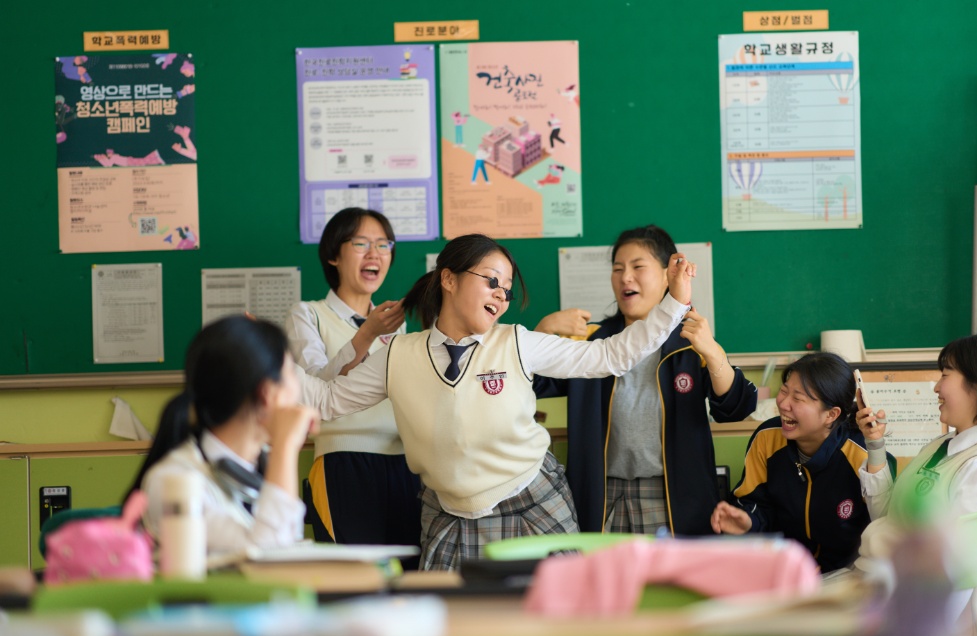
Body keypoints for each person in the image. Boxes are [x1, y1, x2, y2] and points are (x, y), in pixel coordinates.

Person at [298, 233, 695, 570]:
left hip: (532, 500)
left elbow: (611, 356)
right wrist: (262, 358)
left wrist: (673, 305)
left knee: (559, 622)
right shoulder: (395, 354)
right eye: (491, 281)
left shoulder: (517, 342)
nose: (500, 296)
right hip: (447, 511)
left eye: (506, 289)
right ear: (448, 279)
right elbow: (326, 399)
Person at [534, 225, 757, 536]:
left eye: (638, 267)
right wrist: (543, 333)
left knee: (670, 584)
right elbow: (532, 386)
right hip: (601, 497)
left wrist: (715, 354)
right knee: (606, 583)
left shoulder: (689, 341)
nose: (626, 277)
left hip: (672, 498)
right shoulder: (590, 342)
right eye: (617, 269)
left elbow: (735, 408)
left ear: (668, 276)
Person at [284, 207, 420, 548]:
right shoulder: (308, 314)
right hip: (343, 460)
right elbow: (317, 386)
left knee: (405, 573)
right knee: (353, 573)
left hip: (404, 463)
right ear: (333, 255)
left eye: (383, 244)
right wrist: (366, 335)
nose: (374, 253)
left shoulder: (394, 323)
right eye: (361, 243)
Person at [126, 316, 318, 555]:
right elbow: (270, 561)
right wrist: (285, 446)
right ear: (268, 393)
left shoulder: (259, 467)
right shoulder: (172, 481)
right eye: (292, 372)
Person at [711, 352, 872, 573]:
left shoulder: (862, 452)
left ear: (831, 414)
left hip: (845, 577)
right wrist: (747, 521)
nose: (784, 404)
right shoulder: (766, 438)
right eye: (784, 390)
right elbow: (755, 504)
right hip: (783, 571)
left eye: (798, 398)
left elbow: (881, 525)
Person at [854, 334, 977, 577]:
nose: (936, 387)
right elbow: (888, 518)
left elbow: (958, 568)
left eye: (945, 374)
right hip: (872, 575)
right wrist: (875, 445)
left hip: (897, 591)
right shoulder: (940, 445)